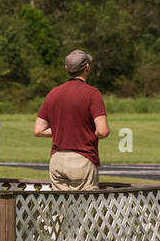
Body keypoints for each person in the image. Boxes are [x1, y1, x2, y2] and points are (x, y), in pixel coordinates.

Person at [34, 49, 109, 190]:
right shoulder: (92, 93)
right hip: (82, 158)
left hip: (57, 159)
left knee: (61, 207)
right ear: (87, 67)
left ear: (66, 69)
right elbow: (103, 131)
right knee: (84, 208)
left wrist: (61, 130)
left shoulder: (53, 93)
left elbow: (38, 130)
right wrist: (89, 132)